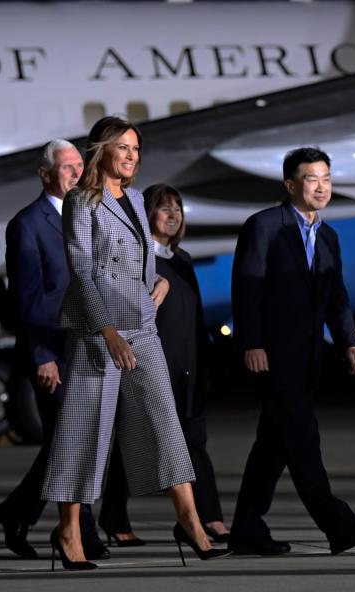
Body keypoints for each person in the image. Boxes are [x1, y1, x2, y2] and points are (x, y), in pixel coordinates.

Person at [40, 116, 229, 570]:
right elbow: (83, 271)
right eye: (123, 147)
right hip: (97, 329)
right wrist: (106, 331)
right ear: (101, 149)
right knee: (87, 430)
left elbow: (139, 260)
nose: (131, 156)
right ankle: (69, 533)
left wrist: (159, 283)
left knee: (166, 421)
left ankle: (191, 522)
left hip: (142, 324)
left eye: (136, 149)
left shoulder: (140, 200)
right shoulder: (81, 202)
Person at [229, 147, 355, 556]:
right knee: (302, 438)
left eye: (327, 178)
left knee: (273, 445)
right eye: (312, 179)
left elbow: (337, 296)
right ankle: (339, 525)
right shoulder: (263, 226)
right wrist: (252, 342)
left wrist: (349, 339)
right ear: (291, 185)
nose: (322, 186)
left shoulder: (328, 236)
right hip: (273, 355)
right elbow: (248, 288)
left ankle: (246, 528)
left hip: (309, 356)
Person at [0, 140, 109, 562]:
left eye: (80, 165)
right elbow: (25, 300)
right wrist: (42, 354)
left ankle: (17, 511)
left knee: (76, 443)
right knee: (70, 442)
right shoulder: (28, 224)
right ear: (45, 175)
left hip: (90, 347)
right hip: (53, 353)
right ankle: (82, 535)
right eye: (67, 167)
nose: (77, 173)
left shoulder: (93, 215)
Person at [98, 184, 231, 545]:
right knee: (137, 443)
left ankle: (211, 517)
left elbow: (194, 317)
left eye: (178, 208)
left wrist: (203, 363)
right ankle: (114, 517)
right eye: (164, 208)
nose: (173, 215)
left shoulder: (182, 260)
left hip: (187, 366)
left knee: (194, 441)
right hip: (152, 363)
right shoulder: (141, 260)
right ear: (147, 215)